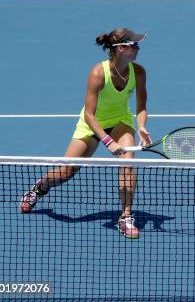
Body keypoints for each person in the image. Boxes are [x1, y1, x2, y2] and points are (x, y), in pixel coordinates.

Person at [19, 28, 153, 239]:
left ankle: (125, 216)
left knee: (128, 163)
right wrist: (107, 140)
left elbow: (141, 106)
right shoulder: (98, 73)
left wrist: (142, 126)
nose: (138, 48)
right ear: (119, 49)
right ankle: (39, 187)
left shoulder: (139, 72)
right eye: (133, 45)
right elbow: (89, 114)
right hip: (92, 124)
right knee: (66, 172)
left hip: (120, 122)